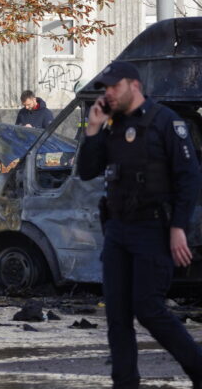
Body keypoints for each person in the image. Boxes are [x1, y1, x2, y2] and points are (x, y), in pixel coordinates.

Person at [77, 61, 202, 389]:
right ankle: (125, 383)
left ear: (133, 85)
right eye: (105, 88)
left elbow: (189, 179)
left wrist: (179, 227)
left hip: (153, 229)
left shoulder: (165, 122)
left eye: (112, 87)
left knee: (148, 307)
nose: (108, 93)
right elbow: (87, 171)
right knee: (117, 316)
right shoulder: (113, 125)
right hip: (118, 230)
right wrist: (92, 130)